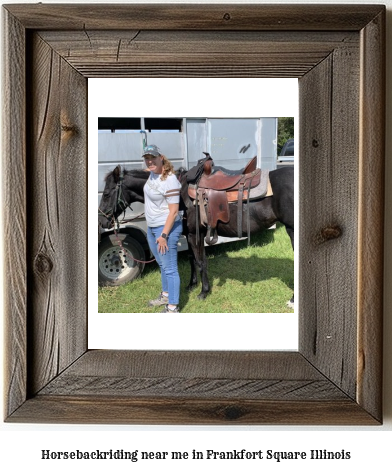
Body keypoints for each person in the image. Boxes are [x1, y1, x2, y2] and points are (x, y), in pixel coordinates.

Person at [142, 144, 183, 313]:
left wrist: (164, 235)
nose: (150, 161)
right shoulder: (152, 174)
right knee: (162, 264)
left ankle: (173, 308)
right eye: (147, 158)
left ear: (161, 158)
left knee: (170, 268)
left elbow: (173, 212)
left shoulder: (170, 180)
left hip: (165, 228)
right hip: (152, 227)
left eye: (153, 158)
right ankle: (166, 295)